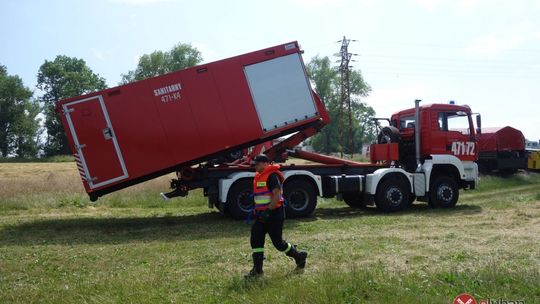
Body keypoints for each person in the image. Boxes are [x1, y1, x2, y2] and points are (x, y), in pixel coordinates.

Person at [245, 154, 308, 278]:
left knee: (278, 243)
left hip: (274, 214)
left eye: (257, 163)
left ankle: (299, 256)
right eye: (255, 164)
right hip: (261, 215)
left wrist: (268, 211)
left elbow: (277, 196)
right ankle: (258, 270)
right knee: (256, 239)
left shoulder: (272, 176)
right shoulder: (258, 176)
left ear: (265, 164)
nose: (255, 166)